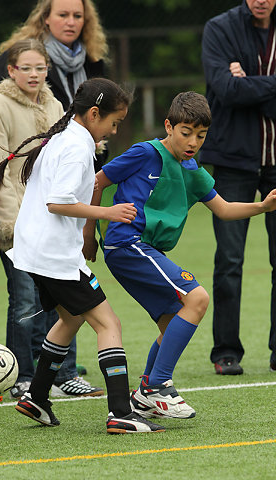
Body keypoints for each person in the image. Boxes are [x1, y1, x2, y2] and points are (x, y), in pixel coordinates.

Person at [83, 91, 276, 420]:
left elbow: (225, 209)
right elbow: (97, 181)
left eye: (201, 136)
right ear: (168, 126)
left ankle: (144, 393)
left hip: (144, 249)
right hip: (126, 243)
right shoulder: (146, 152)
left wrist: (261, 206)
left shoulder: (192, 169)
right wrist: (89, 233)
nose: (193, 142)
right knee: (197, 299)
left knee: (174, 320)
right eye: (186, 132)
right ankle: (157, 386)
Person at [0, 77, 166, 433]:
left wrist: (86, 234)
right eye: (113, 122)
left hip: (34, 251)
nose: (114, 130)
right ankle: (120, 411)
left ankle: (36, 398)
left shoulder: (64, 136)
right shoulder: (76, 145)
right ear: (92, 114)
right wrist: (107, 214)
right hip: (54, 256)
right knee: (109, 324)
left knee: (71, 319)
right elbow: (58, 202)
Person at [0, 0, 109, 391]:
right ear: (11, 70)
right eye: (27, 68)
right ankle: (21, 375)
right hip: (18, 220)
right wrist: (11, 223)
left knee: (64, 297)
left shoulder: (56, 102)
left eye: (41, 68)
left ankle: (65, 375)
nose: (35, 74)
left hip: (52, 218)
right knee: (24, 300)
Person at [200, 0, 276, 375]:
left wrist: (251, 83)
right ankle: (226, 351)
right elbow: (225, 90)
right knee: (229, 260)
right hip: (234, 160)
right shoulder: (220, 28)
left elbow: (241, 89)